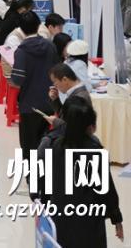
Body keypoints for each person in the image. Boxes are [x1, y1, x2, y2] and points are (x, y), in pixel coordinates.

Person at [46, 101, 124, 246]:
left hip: (60, 216)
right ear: (90, 127)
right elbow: (107, 191)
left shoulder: (56, 145)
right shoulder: (94, 152)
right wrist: (117, 219)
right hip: (87, 221)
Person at [9, 11, 57, 160]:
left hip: (29, 104)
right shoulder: (50, 46)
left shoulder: (22, 51)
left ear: (21, 29)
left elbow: (17, 80)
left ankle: (31, 172)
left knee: (29, 144)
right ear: (38, 25)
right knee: (46, 141)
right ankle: (45, 170)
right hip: (49, 102)